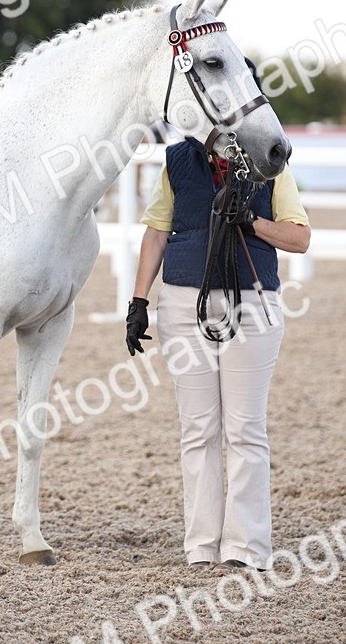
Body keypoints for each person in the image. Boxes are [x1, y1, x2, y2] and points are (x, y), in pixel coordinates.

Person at [125, 92, 310, 571]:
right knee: (198, 429)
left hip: (253, 304)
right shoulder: (177, 162)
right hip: (185, 307)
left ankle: (246, 547)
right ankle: (202, 545)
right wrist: (139, 301)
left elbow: (300, 237)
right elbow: (157, 231)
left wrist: (253, 222)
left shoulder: (270, 165)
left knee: (245, 429)